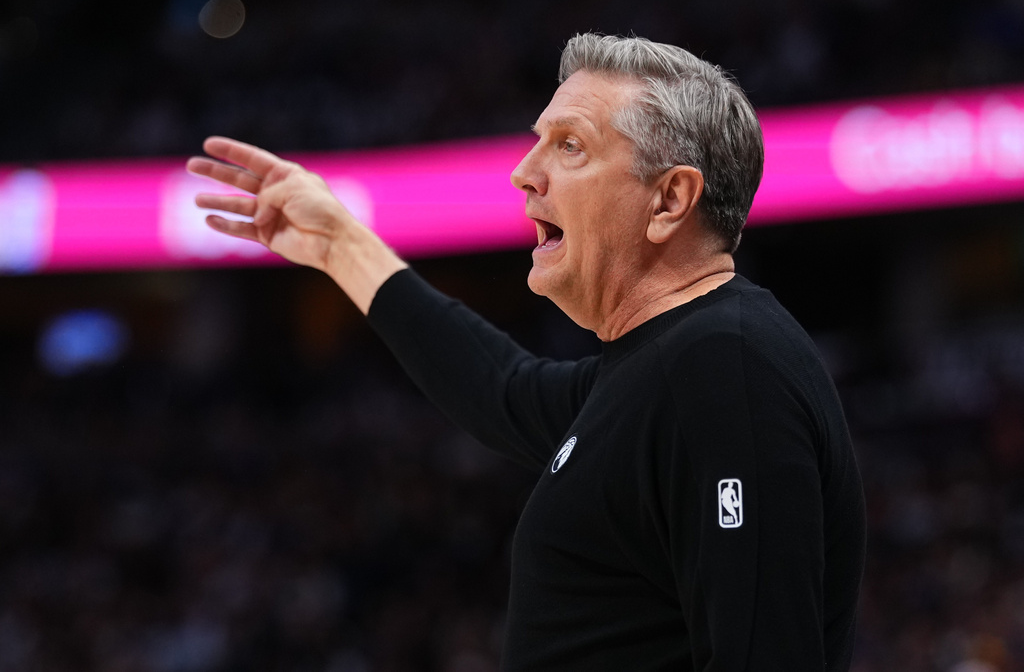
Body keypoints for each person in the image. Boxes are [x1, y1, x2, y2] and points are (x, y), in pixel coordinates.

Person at [187, 33, 866, 671]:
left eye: (569, 146)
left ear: (669, 199)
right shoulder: (660, 365)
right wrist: (340, 246)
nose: (523, 172)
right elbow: (499, 388)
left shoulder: (724, 368)